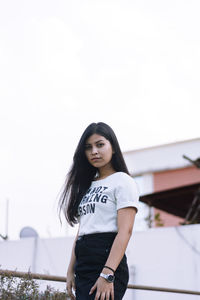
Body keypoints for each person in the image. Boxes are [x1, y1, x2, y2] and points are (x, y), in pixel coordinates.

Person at [59, 122, 139, 300]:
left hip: (106, 258)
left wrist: (108, 273)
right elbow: (83, 230)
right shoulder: (86, 186)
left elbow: (125, 231)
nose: (94, 151)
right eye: (88, 147)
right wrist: (70, 270)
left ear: (113, 148)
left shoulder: (123, 181)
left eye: (100, 144)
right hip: (84, 262)